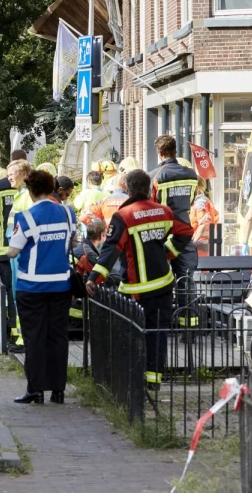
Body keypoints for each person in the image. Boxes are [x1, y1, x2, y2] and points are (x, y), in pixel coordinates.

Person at [86, 169, 193, 390]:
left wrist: (93, 278)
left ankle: (133, 382)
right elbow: (185, 232)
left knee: (133, 335)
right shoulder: (163, 211)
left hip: (136, 290)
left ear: (127, 189)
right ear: (149, 188)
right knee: (158, 333)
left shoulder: (124, 216)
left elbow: (111, 251)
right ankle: (153, 382)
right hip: (164, 285)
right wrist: (167, 252)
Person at [0, 169, 75, 404]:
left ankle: (36, 390)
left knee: (35, 338)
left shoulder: (27, 217)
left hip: (32, 288)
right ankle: (58, 390)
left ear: (31, 191)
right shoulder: (67, 213)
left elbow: (13, 251)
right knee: (58, 338)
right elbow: (72, 241)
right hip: (62, 285)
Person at [150, 137, 200, 327]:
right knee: (186, 281)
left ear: (160, 153)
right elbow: (192, 200)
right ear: (175, 151)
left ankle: (160, 324)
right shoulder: (191, 174)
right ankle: (190, 327)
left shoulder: (155, 176)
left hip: (161, 236)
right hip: (185, 234)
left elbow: (150, 205)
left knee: (158, 280)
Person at [0, 159, 30, 352]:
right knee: (16, 292)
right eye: (8, 174)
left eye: (13, 173)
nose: (9, 177)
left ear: (23, 174)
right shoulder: (23, 194)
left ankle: (17, 335)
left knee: (16, 292)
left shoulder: (1, 189)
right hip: (15, 251)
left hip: (9, 250)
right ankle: (18, 335)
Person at [190, 177, 219, 257]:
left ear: (198, 189)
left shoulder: (200, 203)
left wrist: (193, 243)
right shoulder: (207, 201)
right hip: (205, 245)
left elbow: (204, 223)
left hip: (199, 245)